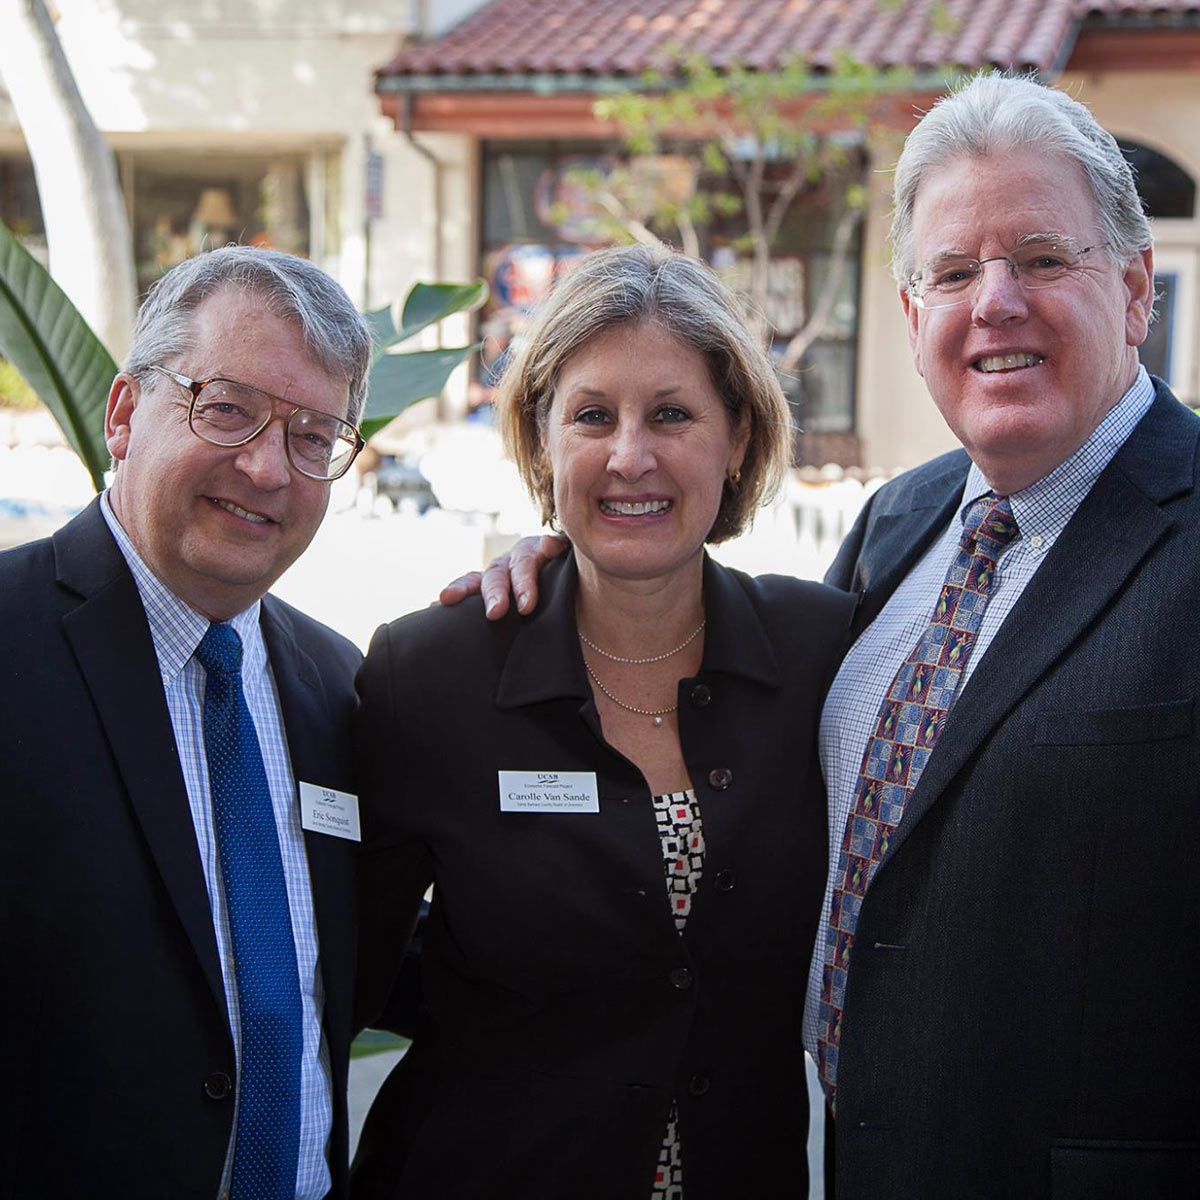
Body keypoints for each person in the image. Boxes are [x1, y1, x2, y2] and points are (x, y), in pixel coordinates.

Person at [452, 74, 1200, 1198]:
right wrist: (575, 571)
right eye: (953, 272)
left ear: (1137, 289)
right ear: (911, 318)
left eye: (1043, 259)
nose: (994, 302)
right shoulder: (897, 529)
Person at [352, 243, 854, 1199]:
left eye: (672, 413)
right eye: (591, 417)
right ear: (542, 441)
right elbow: (344, 974)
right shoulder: (433, 675)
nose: (631, 456)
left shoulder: (826, 656)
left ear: (737, 436)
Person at [0, 246, 371, 1198]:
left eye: (312, 435)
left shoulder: (341, 688)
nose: (265, 466)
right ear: (125, 413)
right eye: (228, 407)